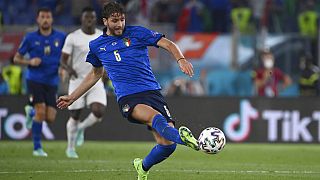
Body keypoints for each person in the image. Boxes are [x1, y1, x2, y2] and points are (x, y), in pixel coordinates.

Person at [57, 2, 198, 179]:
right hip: (129, 97)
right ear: (105, 21)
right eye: (115, 20)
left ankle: (143, 167)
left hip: (152, 92)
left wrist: (181, 59)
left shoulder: (138, 33)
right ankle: (186, 139)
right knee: (156, 118)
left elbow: (168, 44)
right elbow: (95, 74)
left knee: (167, 145)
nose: (119, 24)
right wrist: (72, 96)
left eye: (122, 20)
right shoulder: (97, 46)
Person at [14, 7, 66, 157]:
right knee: (41, 111)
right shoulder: (30, 38)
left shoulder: (60, 37)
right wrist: (29, 61)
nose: (45, 19)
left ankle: (30, 112)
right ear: (37, 19)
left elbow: (65, 57)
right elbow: (16, 58)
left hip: (52, 81)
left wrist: (63, 69)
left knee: (50, 117)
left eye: (48, 17)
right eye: (42, 17)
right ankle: (37, 148)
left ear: (52, 19)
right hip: (34, 79)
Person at [60, 7, 106, 159]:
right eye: (86, 17)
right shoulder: (73, 37)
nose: (89, 20)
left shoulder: (102, 36)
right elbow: (63, 60)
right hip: (77, 80)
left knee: (98, 111)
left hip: (96, 78)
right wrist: (69, 69)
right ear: (82, 19)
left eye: (92, 17)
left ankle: (80, 129)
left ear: (95, 19)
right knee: (75, 114)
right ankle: (70, 148)